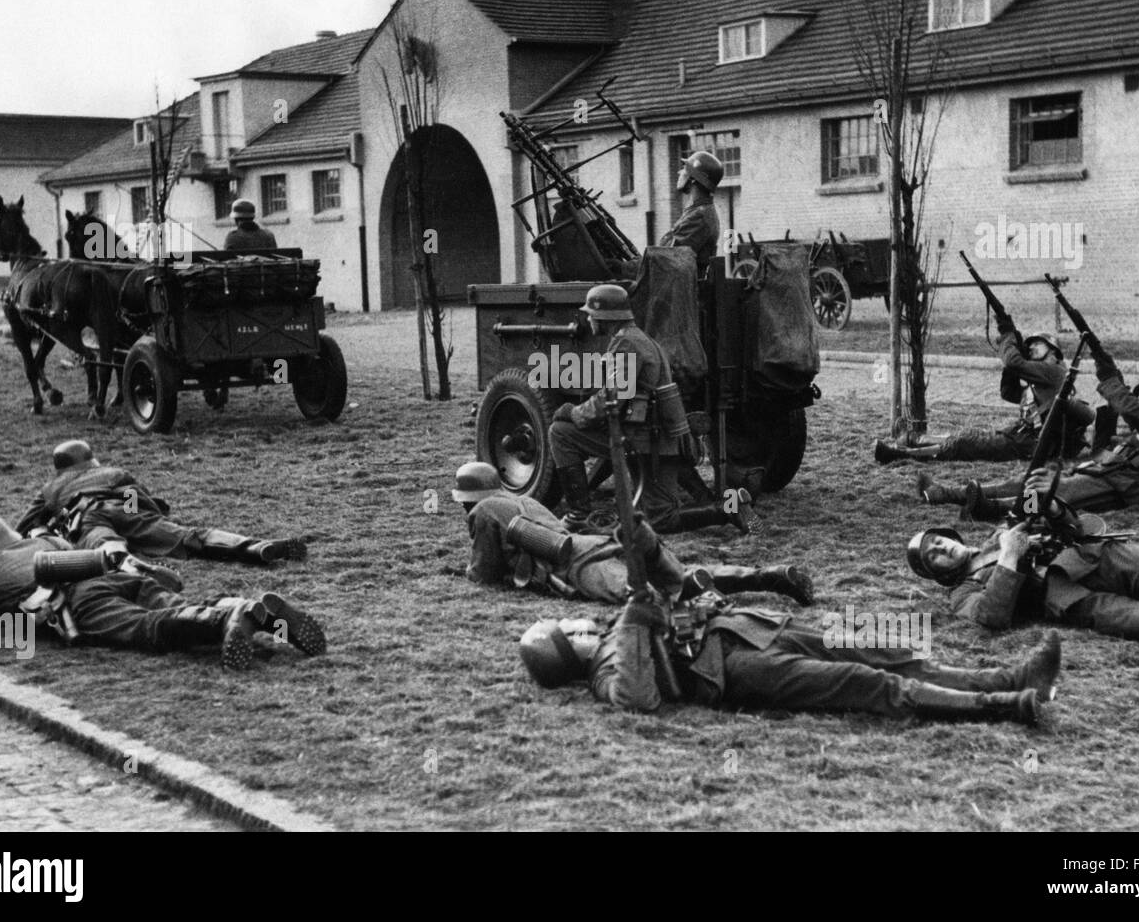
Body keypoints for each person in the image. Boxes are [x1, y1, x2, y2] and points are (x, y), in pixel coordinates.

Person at [517, 517, 1059, 724]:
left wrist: (650, 547)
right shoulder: (607, 676)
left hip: (753, 624)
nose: (576, 626)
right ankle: (1004, 705)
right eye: (568, 635)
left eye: (570, 625)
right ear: (566, 656)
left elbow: (679, 586)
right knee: (865, 683)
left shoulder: (615, 633)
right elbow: (640, 697)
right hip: (736, 668)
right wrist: (636, 617)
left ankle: (1009, 679)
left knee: (886, 646)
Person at [906, 471, 1139, 661]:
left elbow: (1054, 518)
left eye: (938, 539)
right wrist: (1009, 555)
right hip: (1068, 597)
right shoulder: (960, 593)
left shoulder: (998, 534)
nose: (941, 547)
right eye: (933, 554)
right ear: (936, 572)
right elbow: (992, 617)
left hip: (1090, 556)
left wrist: (1041, 499)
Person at [0, 516, 326, 671]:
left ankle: (223, 620)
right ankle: (246, 608)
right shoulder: (50, 541)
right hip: (117, 573)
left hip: (78, 601)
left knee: (146, 628)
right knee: (175, 605)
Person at [546, 284, 758, 536]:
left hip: (642, 440)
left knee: (560, 432)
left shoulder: (624, 342)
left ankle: (577, 515)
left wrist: (574, 412)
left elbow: (612, 397)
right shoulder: (641, 339)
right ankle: (732, 506)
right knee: (658, 517)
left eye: (591, 313)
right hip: (660, 439)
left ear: (604, 316)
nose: (588, 319)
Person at [451, 461, 814, 605]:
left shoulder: (484, 511)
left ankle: (718, 609)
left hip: (577, 562)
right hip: (599, 543)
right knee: (673, 574)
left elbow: (484, 570)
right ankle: (771, 576)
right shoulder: (520, 501)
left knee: (647, 598)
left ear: (469, 499)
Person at [956, 353, 1139, 519]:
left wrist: (1109, 377)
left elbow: (1131, 410)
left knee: (1053, 493)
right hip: (1105, 471)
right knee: (1029, 479)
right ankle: (953, 494)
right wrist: (1107, 416)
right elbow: (1103, 448)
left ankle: (995, 509)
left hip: (1126, 485)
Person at [15, 440, 308, 565]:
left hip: (85, 517)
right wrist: (152, 518)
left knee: (104, 545)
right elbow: (138, 498)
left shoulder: (51, 488)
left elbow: (25, 525)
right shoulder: (112, 472)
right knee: (185, 535)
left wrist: (48, 528)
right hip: (124, 506)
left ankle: (130, 565)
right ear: (89, 460)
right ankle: (254, 547)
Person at [875, 328, 1093, 481]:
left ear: (1053, 352)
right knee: (966, 436)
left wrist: (1009, 340)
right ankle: (916, 441)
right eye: (1031, 345)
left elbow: (1013, 362)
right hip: (1023, 436)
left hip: (1032, 443)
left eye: (1038, 344)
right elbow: (1009, 392)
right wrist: (1014, 364)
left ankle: (902, 453)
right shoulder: (1041, 379)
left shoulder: (1055, 371)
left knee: (963, 444)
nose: (1032, 347)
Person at [660, 150, 724, 271]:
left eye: (685, 170)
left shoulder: (699, 216)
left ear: (694, 179)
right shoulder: (698, 211)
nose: (680, 172)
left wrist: (626, 268)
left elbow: (667, 259)